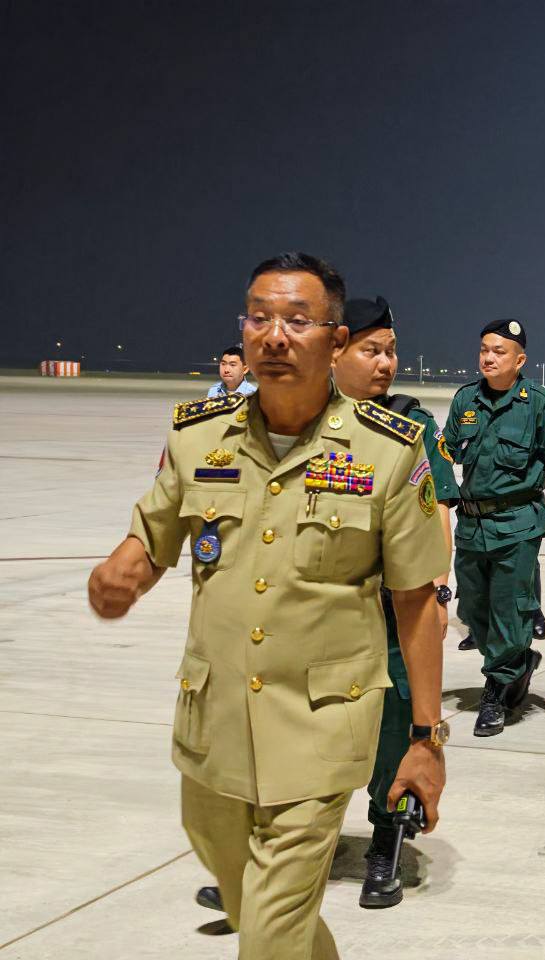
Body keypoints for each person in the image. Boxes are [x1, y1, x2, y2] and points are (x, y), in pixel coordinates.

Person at [87, 253, 450, 959]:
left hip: (321, 727)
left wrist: (426, 739)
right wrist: (124, 569)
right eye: (259, 317)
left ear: (335, 341)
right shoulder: (198, 434)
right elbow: (154, 535)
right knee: (255, 905)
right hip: (215, 722)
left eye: (297, 320)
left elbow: (416, 603)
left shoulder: (389, 452)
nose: (274, 335)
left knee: (270, 935)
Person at [331, 295, 459, 908]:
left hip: (390, 607)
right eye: (372, 350)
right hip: (322, 610)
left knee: (393, 724)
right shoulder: (299, 421)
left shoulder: (410, 426)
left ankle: (387, 838)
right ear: (335, 350)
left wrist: (439, 590)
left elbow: (437, 512)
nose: (386, 363)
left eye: (391, 351)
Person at [444, 319, 545, 736]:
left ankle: (497, 691)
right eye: (484, 349)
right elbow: (445, 455)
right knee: (471, 609)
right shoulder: (465, 399)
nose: (488, 357)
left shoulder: (540, 404)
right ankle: (518, 662)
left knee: (509, 611)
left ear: (519, 360)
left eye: (498, 351)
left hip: (518, 524)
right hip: (472, 524)